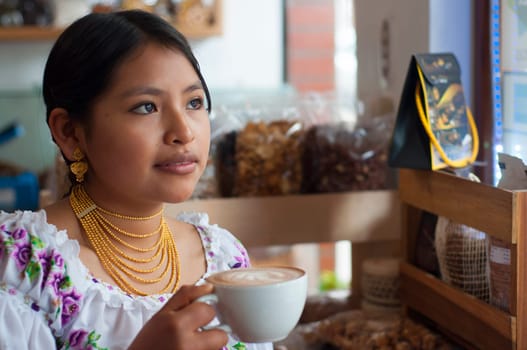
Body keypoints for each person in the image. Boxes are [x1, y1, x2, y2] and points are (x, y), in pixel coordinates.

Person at [0, 9, 272, 350]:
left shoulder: (224, 257)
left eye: (194, 102)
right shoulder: (22, 266)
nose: (184, 131)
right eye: (146, 107)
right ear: (70, 132)